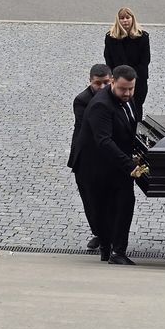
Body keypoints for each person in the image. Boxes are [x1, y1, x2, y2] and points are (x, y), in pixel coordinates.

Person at [73, 65, 146, 264]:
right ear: (113, 82)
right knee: (104, 209)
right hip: (97, 167)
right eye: (123, 89)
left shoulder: (129, 99)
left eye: (131, 88)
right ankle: (109, 250)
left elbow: (132, 127)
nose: (128, 93)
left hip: (117, 163)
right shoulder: (101, 106)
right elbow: (103, 141)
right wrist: (130, 165)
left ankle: (118, 251)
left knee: (125, 203)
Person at [68, 63, 114, 250]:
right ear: (90, 82)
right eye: (97, 84)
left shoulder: (118, 96)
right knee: (90, 200)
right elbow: (89, 129)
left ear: (111, 80)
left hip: (107, 153)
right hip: (86, 154)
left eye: (105, 83)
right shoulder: (82, 100)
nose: (102, 87)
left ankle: (108, 233)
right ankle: (99, 232)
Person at [103, 6, 150, 117]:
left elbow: (145, 61)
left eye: (127, 17)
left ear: (132, 19)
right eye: (122, 18)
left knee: (137, 109)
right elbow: (108, 60)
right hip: (118, 80)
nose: (125, 21)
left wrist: (132, 76)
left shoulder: (142, 37)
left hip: (138, 80)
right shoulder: (111, 37)